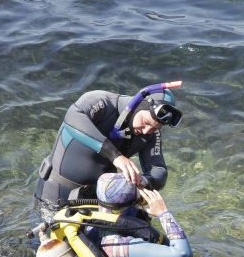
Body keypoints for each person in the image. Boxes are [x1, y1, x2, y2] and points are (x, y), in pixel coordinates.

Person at [35, 81, 183, 209]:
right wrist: (116, 156)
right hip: (56, 192)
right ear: (139, 105)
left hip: (99, 201)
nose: (146, 131)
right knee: (49, 240)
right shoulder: (103, 102)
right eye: (145, 123)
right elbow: (73, 117)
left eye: (155, 128)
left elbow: (159, 171)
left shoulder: (150, 134)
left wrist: (143, 180)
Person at [90, 172, 192, 257]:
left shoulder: (92, 222)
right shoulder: (126, 246)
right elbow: (183, 254)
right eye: (141, 200)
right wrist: (163, 213)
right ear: (134, 204)